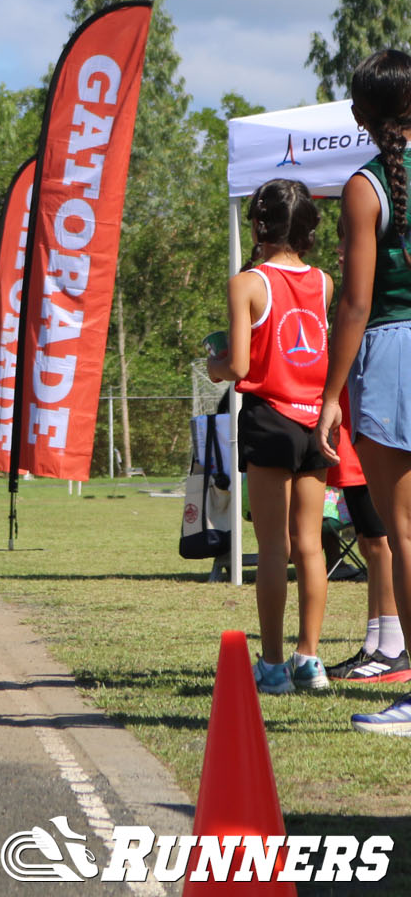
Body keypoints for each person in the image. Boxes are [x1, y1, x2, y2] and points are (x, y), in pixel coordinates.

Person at [316, 47, 411, 733]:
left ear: (360, 116)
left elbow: (353, 304)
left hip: (392, 354)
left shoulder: (364, 186)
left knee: (405, 534)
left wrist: (327, 397)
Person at [208, 178, 332, 695]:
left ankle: (275, 666)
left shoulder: (248, 284)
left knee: (272, 547)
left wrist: (214, 365)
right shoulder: (324, 283)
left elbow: (237, 364)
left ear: (259, 226)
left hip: (268, 418)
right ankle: (311, 660)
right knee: (311, 546)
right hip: (314, 419)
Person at [325, 223, 407, 683]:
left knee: (385, 542)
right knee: (376, 544)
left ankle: (393, 647)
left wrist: (331, 397)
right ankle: (379, 642)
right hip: (354, 440)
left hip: (370, 434)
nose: (340, 252)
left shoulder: (373, 314)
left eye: (347, 242)